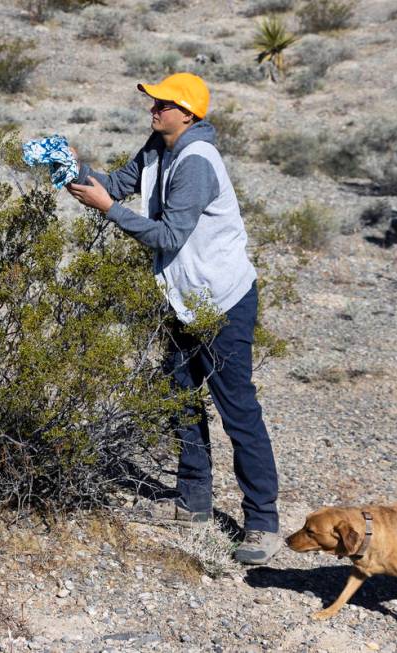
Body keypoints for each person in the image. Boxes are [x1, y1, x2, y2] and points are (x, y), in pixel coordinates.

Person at [65, 72, 281, 565]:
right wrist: (73, 166)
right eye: (154, 102)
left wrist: (109, 211)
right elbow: (120, 183)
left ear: (187, 113)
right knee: (178, 397)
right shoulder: (159, 146)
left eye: (163, 104)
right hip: (182, 298)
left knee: (238, 410)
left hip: (222, 302)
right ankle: (194, 500)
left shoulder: (197, 161)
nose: (153, 110)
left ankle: (263, 522)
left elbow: (166, 236)